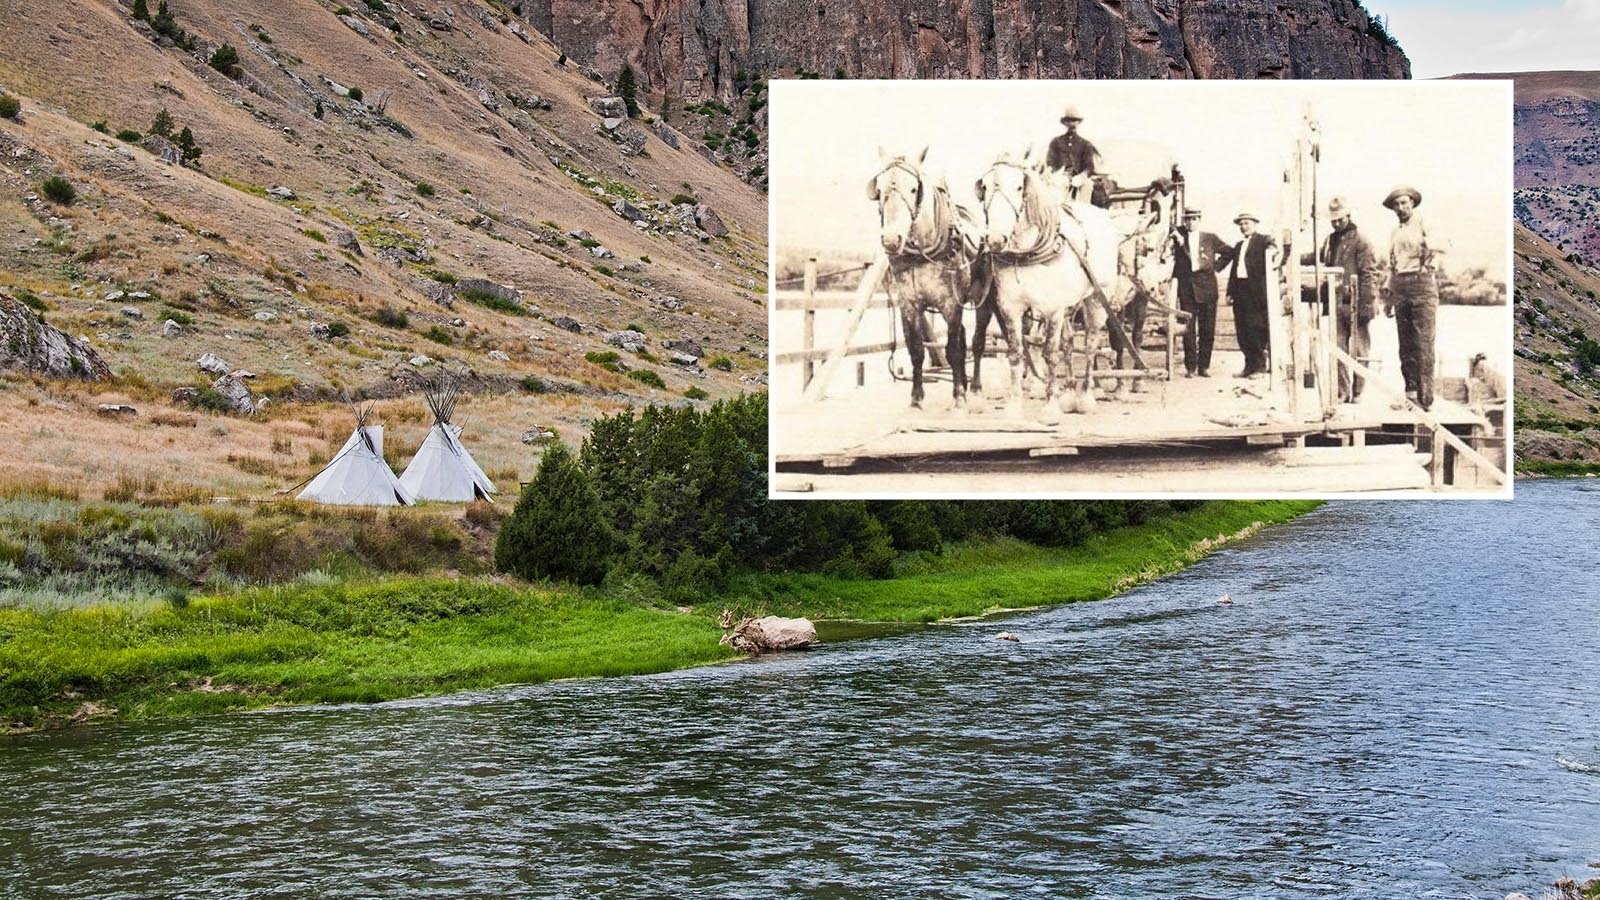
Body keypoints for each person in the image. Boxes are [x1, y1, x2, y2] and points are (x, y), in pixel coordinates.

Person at [1383, 185, 1443, 410]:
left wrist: (1431, 257)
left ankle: (1425, 399)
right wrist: (1389, 297)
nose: (1401, 208)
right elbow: (1392, 266)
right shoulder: (1395, 233)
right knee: (1405, 343)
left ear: (1412, 203)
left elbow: (1441, 246)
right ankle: (1410, 393)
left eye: (1404, 203)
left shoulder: (1424, 223)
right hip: (1400, 285)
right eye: (1396, 205)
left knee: (1423, 341)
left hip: (1422, 284)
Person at [1320, 196, 1382, 402]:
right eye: (1333, 220)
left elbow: (1369, 273)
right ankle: (1342, 392)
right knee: (1338, 348)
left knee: (1359, 350)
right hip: (1336, 302)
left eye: (1340, 219)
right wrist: (1292, 255)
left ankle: (1357, 392)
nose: (1336, 223)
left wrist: (1366, 305)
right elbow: (1319, 257)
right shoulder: (1330, 240)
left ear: (1348, 215)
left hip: (1356, 303)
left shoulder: (1361, 241)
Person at [1216, 212, 1277, 377]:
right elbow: (1234, 272)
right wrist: (1230, 292)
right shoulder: (1238, 245)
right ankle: (1249, 366)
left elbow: (1274, 248)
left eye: (1247, 223)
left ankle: (1260, 367)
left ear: (1255, 224)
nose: (1244, 227)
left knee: (1256, 328)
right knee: (1242, 330)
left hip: (1256, 292)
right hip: (1240, 291)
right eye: (1241, 224)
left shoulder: (1263, 240)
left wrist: (1273, 249)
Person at [1171, 207, 1228, 377]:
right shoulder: (1179, 237)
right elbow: (1167, 229)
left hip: (1208, 289)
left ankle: (1204, 366)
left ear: (1199, 219)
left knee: (1207, 329)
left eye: (1193, 219)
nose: (1190, 222)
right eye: (1187, 219)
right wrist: (1178, 237)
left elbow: (1229, 252)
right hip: (1187, 289)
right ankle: (1190, 367)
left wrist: (1214, 268)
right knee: (1188, 329)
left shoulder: (1209, 238)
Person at [1045, 106, 1108, 207]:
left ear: (1078, 123)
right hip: (1060, 177)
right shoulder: (1056, 142)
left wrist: (1081, 177)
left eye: (1075, 121)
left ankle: (1083, 216)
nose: (1072, 124)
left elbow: (1089, 167)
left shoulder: (1085, 144)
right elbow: (1050, 162)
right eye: (1069, 121)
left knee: (1087, 186)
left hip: (1079, 178)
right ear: (1065, 123)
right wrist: (1054, 173)